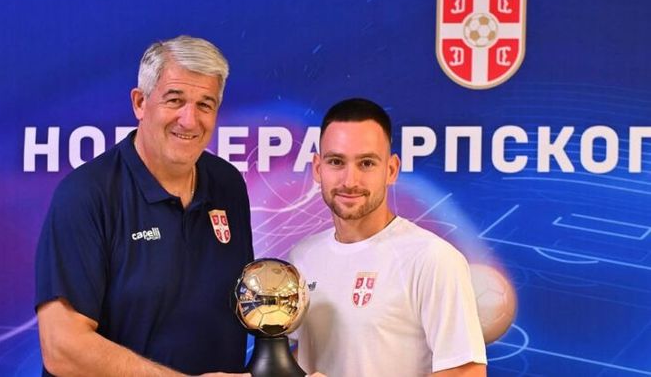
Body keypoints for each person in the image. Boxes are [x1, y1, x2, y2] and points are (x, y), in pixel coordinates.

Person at [35, 35, 253, 376]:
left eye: (205, 105)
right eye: (175, 100)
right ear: (140, 102)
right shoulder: (86, 195)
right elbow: (62, 348)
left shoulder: (228, 185)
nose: (189, 120)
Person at [288, 98, 487, 376]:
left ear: (391, 170)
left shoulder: (432, 258)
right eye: (336, 162)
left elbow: (467, 372)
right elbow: (303, 357)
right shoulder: (302, 257)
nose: (350, 181)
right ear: (318, 169)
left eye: (366, 163)